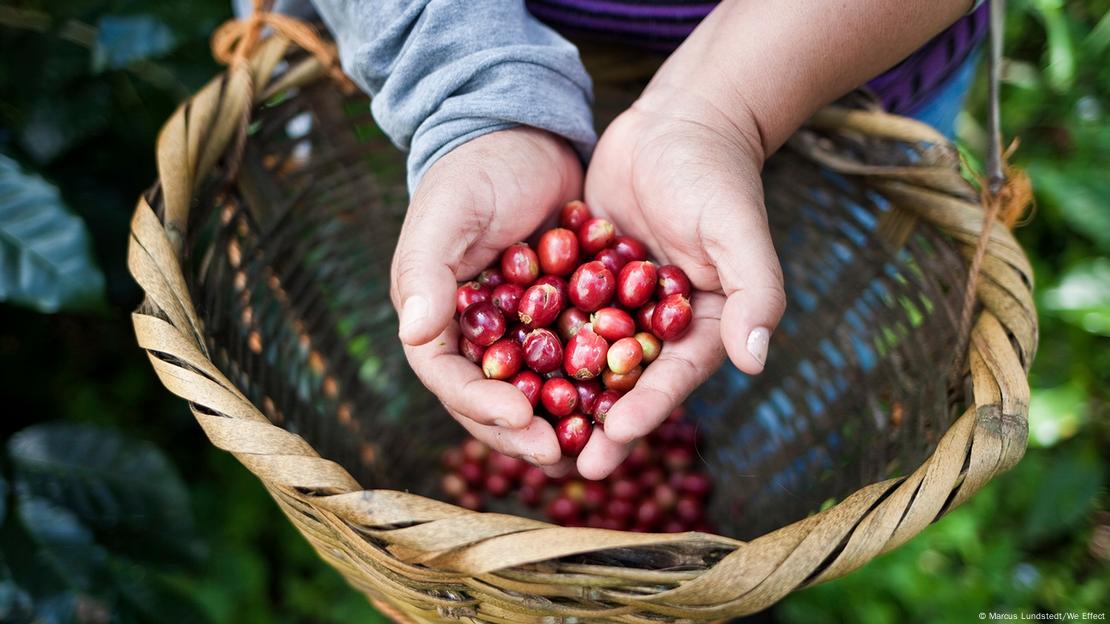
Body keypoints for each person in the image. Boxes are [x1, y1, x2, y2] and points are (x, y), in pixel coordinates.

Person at [241, 0, 987, 480]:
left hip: (842, 64)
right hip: (454, 49)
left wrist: (722, 104)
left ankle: (727, 559)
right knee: (702, 349)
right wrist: (468, 91)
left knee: (782, 409)